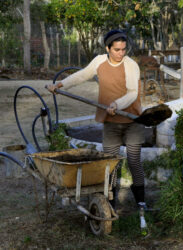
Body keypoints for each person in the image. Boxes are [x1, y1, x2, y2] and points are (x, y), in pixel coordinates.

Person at [46, 29, 146, 211]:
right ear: (108, 48)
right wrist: (60, 84)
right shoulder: (99, 61)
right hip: (110, 121)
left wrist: (116, 104)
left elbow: (132, 93)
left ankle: (141, 202)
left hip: (132, 121)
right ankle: (110, 203)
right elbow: (82, 75)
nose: (121, 53)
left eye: (124, 49)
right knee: (110, 163)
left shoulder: (131, 65)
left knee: (134, 160)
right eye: (117, 49)